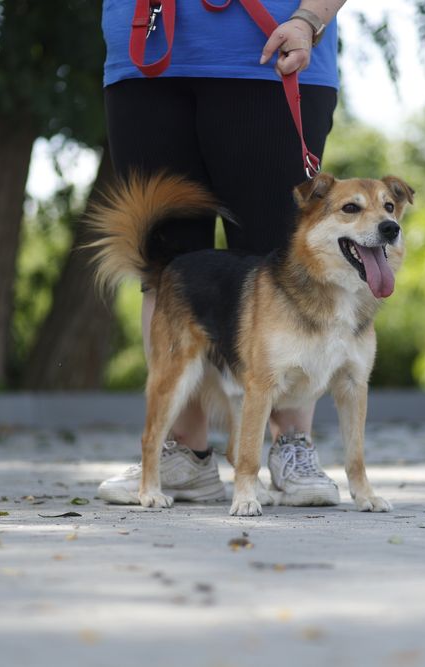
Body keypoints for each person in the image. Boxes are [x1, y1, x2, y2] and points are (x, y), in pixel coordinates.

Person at [97, 0, 349, 506]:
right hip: (145, 52)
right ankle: (181, 452)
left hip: (273, 45)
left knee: (287, 269)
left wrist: (309, 19)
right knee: (164, 268)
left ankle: (292, 447)